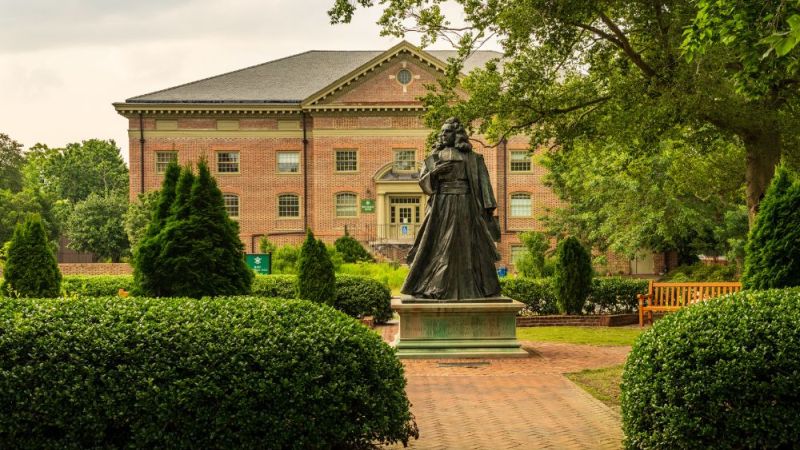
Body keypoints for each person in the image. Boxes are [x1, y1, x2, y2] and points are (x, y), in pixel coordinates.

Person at [401, 117, 501, 300]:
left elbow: (484, 185)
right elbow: (423, 184)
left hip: (466, 205)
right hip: (442, 206)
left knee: (467, 245)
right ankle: (435, 285)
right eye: (442, 131)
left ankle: (473, 288)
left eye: (447, 131)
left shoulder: (473, 158)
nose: (443, 134)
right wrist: (435, 173)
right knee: (440, 245)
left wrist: (488, 208)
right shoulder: (434, 157)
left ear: (456, 134)